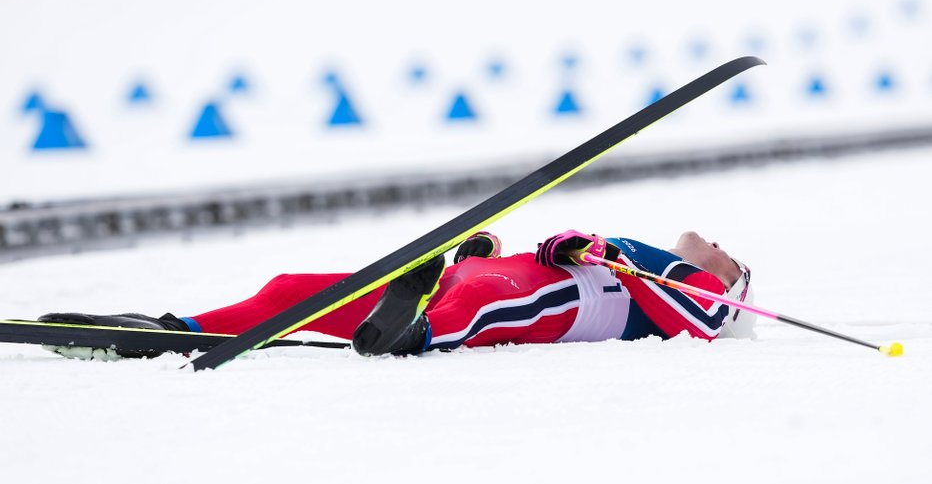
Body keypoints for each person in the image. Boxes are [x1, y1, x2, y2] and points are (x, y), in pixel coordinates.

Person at [37, 229, 755, 359]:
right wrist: (487, 250)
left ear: (726, 274)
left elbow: (701, 322)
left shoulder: (693, 284)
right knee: (296, 289)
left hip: (562, 304)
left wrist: (612, 253)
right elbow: (561, 254)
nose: (714, 239)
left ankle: (410, 335)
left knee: (479, 302)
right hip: (502, 276)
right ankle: (176, 328)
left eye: (729, 251)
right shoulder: (655, 256)